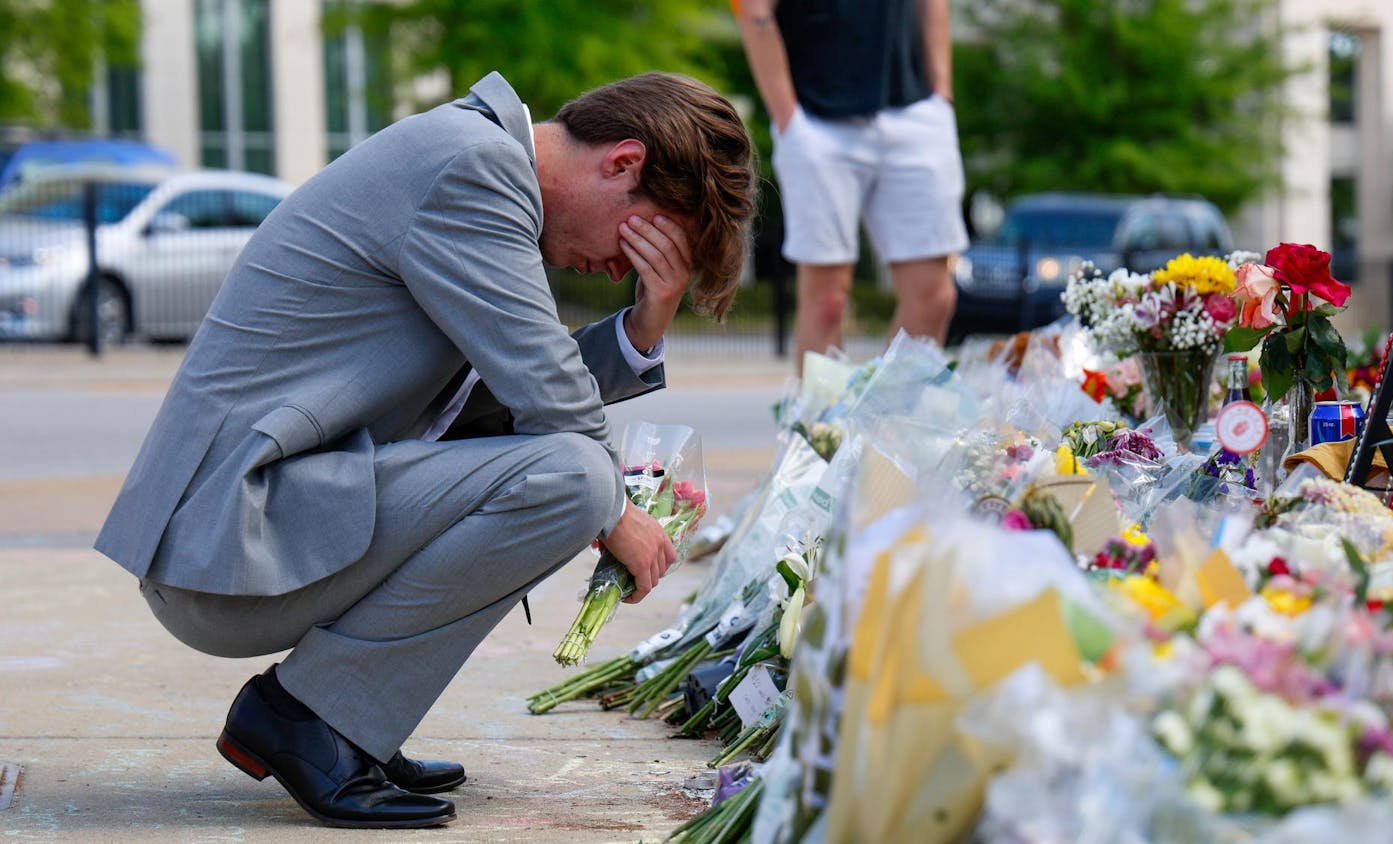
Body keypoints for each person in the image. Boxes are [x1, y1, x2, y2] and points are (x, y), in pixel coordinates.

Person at [94, 71, 755, 829]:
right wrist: (619, 514)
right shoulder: (472, 170)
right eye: (643, 243)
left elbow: (487, 412)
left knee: (566, 475)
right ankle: (310, 716)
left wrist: (645, 321)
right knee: (574, 480)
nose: (620, 269)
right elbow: (552, 404)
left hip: (261, 525)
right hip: (231, 542)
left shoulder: (472, 161)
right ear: (623, 164)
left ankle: (349, 718)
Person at [733, 0, 969, 371]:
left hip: (915, 109)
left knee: (935, 297)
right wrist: (787, 118)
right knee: (827, 304)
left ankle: (890, 424)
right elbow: (753, 8)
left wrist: (942, 95)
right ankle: (825, 429)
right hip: (817, 117)